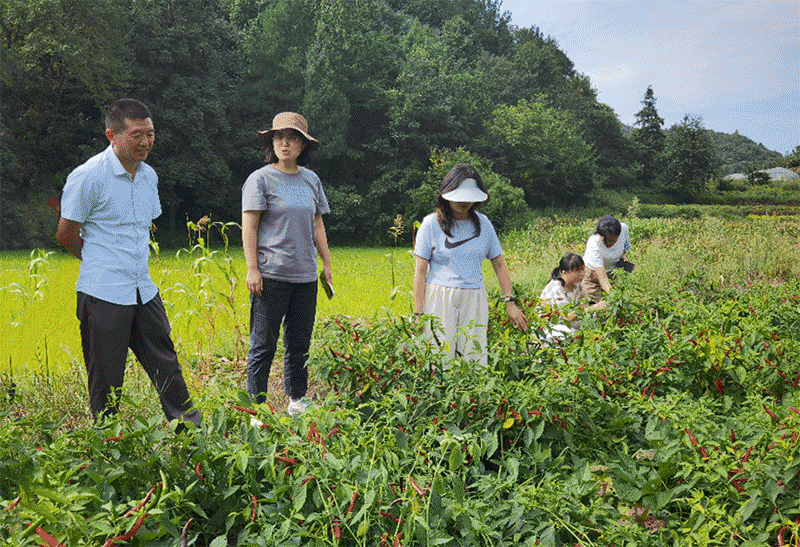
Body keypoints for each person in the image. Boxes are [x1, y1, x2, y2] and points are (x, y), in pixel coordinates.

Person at [56, 98, 200, 431]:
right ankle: (108, 442)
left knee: (167, 365)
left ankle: (192, 434)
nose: (145, 142)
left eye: (150, 134)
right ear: (112, 135)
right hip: (103, 291)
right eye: (136, 134)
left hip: (142, 288)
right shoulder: (89, 176)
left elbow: (143, 226)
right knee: (106, 378)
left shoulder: (149, 176)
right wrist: (96, 260)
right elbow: (65, 233)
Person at [242, 112, 332, 417]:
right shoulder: (261, 179)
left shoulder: (311, 180)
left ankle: (296, 401)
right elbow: (250, 227)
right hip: (271, 275)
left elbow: (318, 223)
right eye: (278, 137)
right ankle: (257, 408)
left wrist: (327, 264)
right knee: (263, 344)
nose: (284, 143)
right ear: (271, 142)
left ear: (302, 145)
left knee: (299, 343)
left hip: (305, 276)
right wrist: (252, 268)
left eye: (292, 138)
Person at [413, 164, 527, 367]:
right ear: (446, 193)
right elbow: (420, 271)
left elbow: (499, 264)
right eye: (460, 196)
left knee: (474, 357)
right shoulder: (431, 224)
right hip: (439, 297)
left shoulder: (484, 225)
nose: (464, 202)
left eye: (469, 196)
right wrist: (418, 313)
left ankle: (476, 398)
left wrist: (510, 302)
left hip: (474, 297)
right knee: (439, 357)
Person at [539, 253, 607, 342]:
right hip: (549, 326)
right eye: (578, 271)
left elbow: (585, 305)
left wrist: (594, 307)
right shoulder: (556, 288)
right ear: (565, 273)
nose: (582, 274)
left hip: (566, 322)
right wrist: (594, 308)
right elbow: (567, 317)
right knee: (569, 335)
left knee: (592, 318)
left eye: (583, 269)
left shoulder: (577, 285)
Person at [582, 215, 634, 304]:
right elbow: (602, 277)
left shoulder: (623, 228)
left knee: (610, 306)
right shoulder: (593, 245)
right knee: (595, 307)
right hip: (592, 276)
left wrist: (623, 255)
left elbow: (625, 243)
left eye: (613, 240)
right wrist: (616, 298)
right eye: (604, 240)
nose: (608, 243)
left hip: (612, 273)